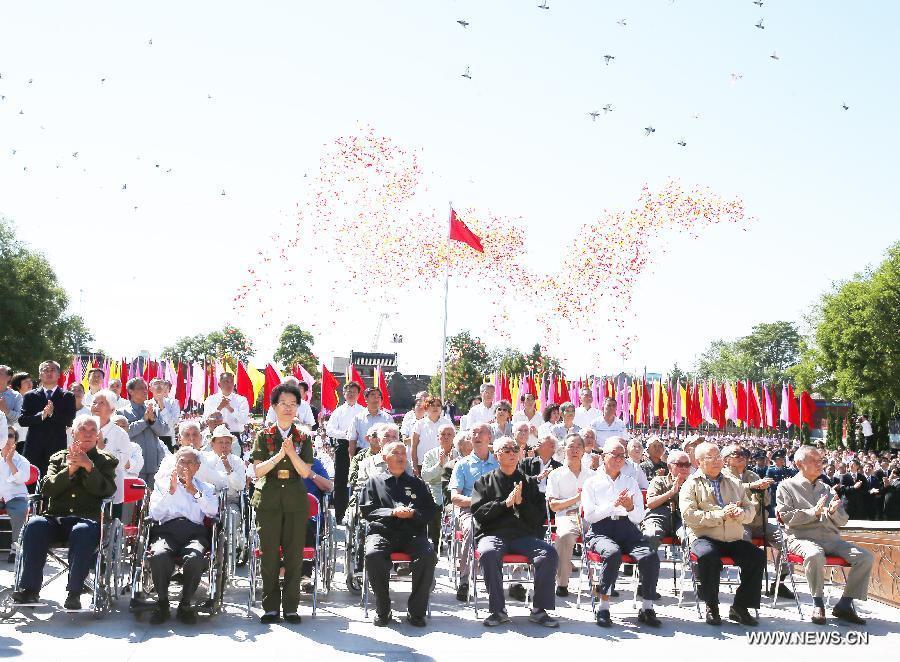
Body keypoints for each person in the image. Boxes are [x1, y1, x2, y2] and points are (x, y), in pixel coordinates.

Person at [12, 414, 117, 610]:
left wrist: (88, 467)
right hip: (56, 518)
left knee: (81, 531)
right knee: (35, 525)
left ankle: (75, 591)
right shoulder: (58, 458)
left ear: (98, 436)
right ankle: (30, 590)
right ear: (73, 433)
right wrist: (69, 470)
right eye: (83, 430)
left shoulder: (106, 461)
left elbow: (107, 490)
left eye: (92, 430)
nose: (87, 434)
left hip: (87, 520)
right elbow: (47, 489)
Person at [776, 445, 874, 625]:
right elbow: (787, 517)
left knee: (865, 557)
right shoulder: (786, 486)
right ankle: (818, 603)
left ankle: (844, 604)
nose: (819, 464)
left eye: (820, 460)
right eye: (813, 461)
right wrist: (813, 512)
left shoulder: (827, 488)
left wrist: (834, 512)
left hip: (831, 538)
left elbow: (843, 520)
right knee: (814, 554)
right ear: (799, 464)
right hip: (800, 538)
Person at [471, 436, 559, 628]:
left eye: (514, 449)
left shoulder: (528, 481)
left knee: (549, 553)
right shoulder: (484, 482)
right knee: (488, 553)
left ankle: (539, 610)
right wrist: (505, 504)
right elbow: (478, 514)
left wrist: (520, 503)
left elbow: (538, 517)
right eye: (507, 450)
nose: (512, 453)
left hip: (522, 536)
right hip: (493, 534)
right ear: (497, 455)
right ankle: (497, 610)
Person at [250, 383, 314, 624]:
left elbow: (305, 472)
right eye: (283, 404)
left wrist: (293, 453)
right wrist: (279, 455)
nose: (288, 409)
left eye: (293, 404)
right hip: (269, 498)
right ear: (274, 407)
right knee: (269, 556)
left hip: (295, 501)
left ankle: (290, 607)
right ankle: (270, 607)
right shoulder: (263, 435)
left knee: (294, 555)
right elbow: (258, 471)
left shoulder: (303, 437)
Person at [680, 441, 763, 626]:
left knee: (757, 556)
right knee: (708, 556)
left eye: (718, 456)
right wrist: (720, 515)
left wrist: (742, 514)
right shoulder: (691, 484)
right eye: (711, 457)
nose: (717, 461)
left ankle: (740, 606)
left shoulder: (734, 482)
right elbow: (689, 515)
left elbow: (750, 509)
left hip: (733, 536)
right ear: (699, 461)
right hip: (704, 536)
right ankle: (712, 606)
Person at [582, 437, 661, 627]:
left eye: (622, 456)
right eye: (615, 455)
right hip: (601, 529)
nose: (619, 459)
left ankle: (647, 607)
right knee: (612, 553)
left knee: (650, 554)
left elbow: (638, 517)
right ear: (603, 457)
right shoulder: (592, 482)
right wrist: (613, 505)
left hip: (626, 528)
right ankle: (604, 607)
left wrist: (630, 506)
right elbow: (591, 517)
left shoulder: (630, 482)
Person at [359, 440, 437, 627]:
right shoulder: (374, 482)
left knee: (428, 556)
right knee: (373, 555)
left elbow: (430, 510)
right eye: (396, 453)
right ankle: (383, 608)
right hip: (383, 532)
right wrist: (391, 512)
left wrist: (414, 514)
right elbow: (367, 510)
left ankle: (416, 611)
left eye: (403, 453)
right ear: (385, 458)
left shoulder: (417, 483)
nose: (401, 456)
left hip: (412, 533)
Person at [147, 447, 219, 625]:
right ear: (175, 464)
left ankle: (185, 604)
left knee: (195, 558)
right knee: (158, 555)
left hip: (194, 533)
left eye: (190, 462)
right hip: (166, 531)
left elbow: (212, 511)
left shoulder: (206, 488)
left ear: (197, 466)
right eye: (182, 461)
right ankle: (162, 603)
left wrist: (195, 492)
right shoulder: (162, 485)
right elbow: (154, 515)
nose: (185, 466)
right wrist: (170, 493)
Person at [722, 444, 792, 599]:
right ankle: (749, 583)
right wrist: (751, 487)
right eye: (737, 454)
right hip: (739, 522)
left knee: (787, 542)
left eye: (744, 454)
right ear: (726, 459)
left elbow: (766, 500)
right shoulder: (722, 475)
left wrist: (762, 490)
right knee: (745, 545)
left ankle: (779, 582)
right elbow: (729, 492)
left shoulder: (753, 474)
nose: (742, 457)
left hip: (760, 522)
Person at [448, 422, 499, 602]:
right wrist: (478, 501)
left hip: (496, 511)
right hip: (469, 510)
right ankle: (464, 579)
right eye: (474, 433)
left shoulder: (499, 463)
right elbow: (455, 497)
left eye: (481, 432)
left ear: (489, 438)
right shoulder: (462, 465)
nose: (477, 436)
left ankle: (511, 580)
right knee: (470, 528)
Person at [546, 433, 593, 597]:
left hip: (590, 516)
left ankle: (602, 582)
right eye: (571, 446)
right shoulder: (555, 474)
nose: (574, 450)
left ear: (583, 450)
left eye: (578, 446)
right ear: (564, 449)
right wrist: (576, 499)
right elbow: (553, 505)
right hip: (566, 516)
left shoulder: (592, 475)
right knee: (565, 536)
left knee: (607, 532)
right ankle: (562, 583)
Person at [19, 361, 77, 477]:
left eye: (52, 370)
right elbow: (22, 420)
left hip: (56, 447)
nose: (49, 373)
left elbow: (70, 420)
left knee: (55, 482)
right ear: (40, 374)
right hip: (33, 447)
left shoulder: (67, 396)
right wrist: (41, 415)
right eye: (45, 370)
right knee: (31, 483)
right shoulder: (30, 396)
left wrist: (52, 414)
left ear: (59, 374)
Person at [90, 389, 135, 517]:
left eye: (102, 403)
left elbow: (121, 463)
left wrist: (103, 449)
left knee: (109, 527)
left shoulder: (120, 434)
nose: (96, 406)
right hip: (86, 486)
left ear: (112, 409)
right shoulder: (83, 428)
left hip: (110, 486)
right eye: (94, 402)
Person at [325, 382, 365, 523]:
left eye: (354, 392)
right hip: (343, 446)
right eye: (348, 391)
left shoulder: (363, 411)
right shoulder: (338, 411)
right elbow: (330, 430)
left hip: (360, 448)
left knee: (360, 479)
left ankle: (358, 514)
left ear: (358, 394)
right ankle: (340, 514)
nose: (351, 394)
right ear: (344, 393)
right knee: (341, 480)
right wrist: (345, 434)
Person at [120, 378, 169, 489]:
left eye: (145, 388)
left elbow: (163, 431)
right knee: (133, 501)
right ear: (130, 391)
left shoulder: (153, 409)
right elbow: (125, 433)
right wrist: (144, 421)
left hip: (154, 464)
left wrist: (152, 421)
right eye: (140, 388)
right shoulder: (122, 412)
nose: (145, 391)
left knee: (152, 500)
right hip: (134, 466)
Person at [642, 449, 690, 551]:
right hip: (658, 516)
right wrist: (671, 492)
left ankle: (690, 566)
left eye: (687, 465)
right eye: (680, 464)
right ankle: (648, 565)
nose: (684, 468)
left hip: (681, 519)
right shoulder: (659, 481)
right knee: (651, 536)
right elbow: (650, 504)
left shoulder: (692, 484)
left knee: (690, 538)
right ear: (669, 466)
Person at [300, 445, 333, 592]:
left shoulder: (315, 463)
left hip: (308, 514)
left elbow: (329, 487)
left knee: (306, 525)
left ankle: (305, 575)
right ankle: (281, 571)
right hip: (284, 511)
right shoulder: (280, 462)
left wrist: (311, 474)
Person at [420, 422, 457, 550]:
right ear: (438, 437)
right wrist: (440, 465)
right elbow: (425, 476)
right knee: (435, 507)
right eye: (443, 434)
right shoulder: (430, 454)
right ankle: (436, 541)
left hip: (454, 489)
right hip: (435, 488)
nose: (446, 437)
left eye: (449, 434)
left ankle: (453, 539)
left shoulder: (458, 453)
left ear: (454, 437)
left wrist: (451, 464)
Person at [1, 426, 30, 563]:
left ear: (15, 442)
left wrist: (10, 461)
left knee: (20, 511)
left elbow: (22, 479)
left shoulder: (23, 461)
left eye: (10, 435)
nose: (7, 438)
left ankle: (15, 547)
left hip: (15, 497)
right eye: (3, 435)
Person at [410, 395, 452, 477]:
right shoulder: (419, 424)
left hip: (444, 464)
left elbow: (452, 443)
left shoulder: (447, 423)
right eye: (432, 405)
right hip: (423, 465)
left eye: (438, 405)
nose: (435, 408)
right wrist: (414, 465)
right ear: (426, 407)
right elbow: (413, 446)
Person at [202, 372, 250, 439]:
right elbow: (205, 420)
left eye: (231, 382)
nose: (229, 385)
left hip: (235, 435)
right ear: (219, 384)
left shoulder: (241, 400)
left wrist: (230, 408)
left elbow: (243, 420)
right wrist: (219, 408)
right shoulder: (210, 400)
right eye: (226, 382)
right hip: (215, 435)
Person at [149, 378, 181, 452]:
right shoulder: (146, 404)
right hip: (151, 441)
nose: (159, 386)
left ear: (165, 388)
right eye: (156, 384)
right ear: (150, 389)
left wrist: (162, 407)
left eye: (161, 384)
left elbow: (172, 423)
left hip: (169, 440)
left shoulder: (173, 403)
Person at [765, 450, 796, 517]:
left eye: (783, 459)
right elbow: (770, 483)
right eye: (779, 459)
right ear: (775, 460)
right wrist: (782, 482)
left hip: (785, 494)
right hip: (774, 494)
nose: (782, 460)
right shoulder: (770, 470)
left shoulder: (787, 470)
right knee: (774, 511)